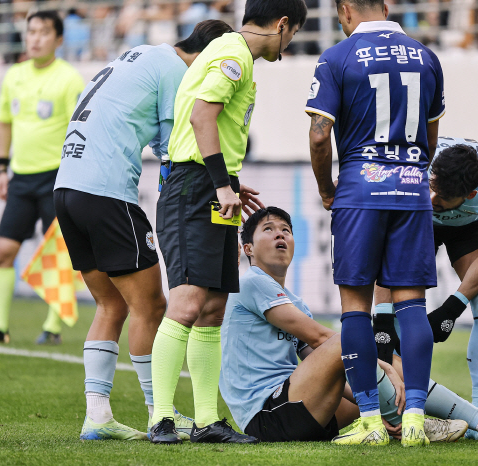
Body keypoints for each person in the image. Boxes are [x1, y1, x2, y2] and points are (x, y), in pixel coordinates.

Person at [52, 20, 234, 441]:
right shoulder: (177, 71)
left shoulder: (140, 55)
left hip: (66, 189)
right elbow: (178, 149)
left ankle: (97, 415)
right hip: (107, 193)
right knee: (151, 306)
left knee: (111, 305)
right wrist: (221, 180)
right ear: (208, 55)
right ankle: (161, 414)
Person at [220, 206, 478, 443]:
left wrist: (373, 383)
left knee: (366, 384)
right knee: (351, 340)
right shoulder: (251, 282)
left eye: (286, 229)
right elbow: (319, 339)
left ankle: (464, 420)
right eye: (269, 229)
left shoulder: (294, 301)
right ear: (247, 248)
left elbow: (324, 363)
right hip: (267, 415)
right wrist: (380, 363)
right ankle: (431, 421)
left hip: (298, 407)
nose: (280, 234)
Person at [148, 0, 307, 445]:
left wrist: (231, 182)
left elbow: (212, 125)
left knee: (213, 307)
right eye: (291, 34)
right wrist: (220, 184)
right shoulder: (234, 54)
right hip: (194, 188)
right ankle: (161, 416)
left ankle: (204, 422)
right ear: (281, 25)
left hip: (213, 187)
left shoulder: (235, 57)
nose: (288, 44)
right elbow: (203, 116)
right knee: (186, 302)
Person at [306, 0, 445, 446]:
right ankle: (417, 421)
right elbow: (429, 133)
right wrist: (414, 173)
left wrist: (327, 188)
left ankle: (369, 421)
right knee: (412, 306)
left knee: (355, 309)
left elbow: (319, 134)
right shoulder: (426, 57)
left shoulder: (337, 57)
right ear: (385, 7)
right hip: (410, 189)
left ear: (346, 9)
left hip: (360, 193)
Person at [373, 137, 478, 440]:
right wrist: (382, 318)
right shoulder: (414, 168)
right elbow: (384, 243)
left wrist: (452, 308)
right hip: (418, 221)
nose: (432, 196)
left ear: (471, 194)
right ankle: (400, 412)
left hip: (470, 225)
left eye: (441, 196)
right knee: (400, 316)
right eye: (432, 186)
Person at [0, 11, 84, 346]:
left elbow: (77, 132)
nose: (34, 38)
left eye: (43, 32)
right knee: (2, 251)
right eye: (30, 31)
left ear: (58, 39)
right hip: (21, 177)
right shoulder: (14, 75)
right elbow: (4, 123)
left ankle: (52, 328)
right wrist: (2, 167)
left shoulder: (69, 79)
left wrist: (72, 178)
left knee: (59, 255)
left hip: (56, 176)